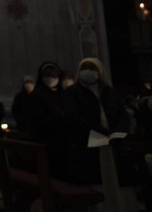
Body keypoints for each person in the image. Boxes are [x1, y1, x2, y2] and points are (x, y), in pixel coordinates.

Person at [64, 58, 136, 211]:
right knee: (95, 180)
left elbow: (122, 115)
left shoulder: (110, 91)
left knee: (116, 178)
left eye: (92, 68)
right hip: (88, 143)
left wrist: (117, 131)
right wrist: (99, 130)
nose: (88, 71)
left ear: (99, 71)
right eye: (85, 68)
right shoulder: (72, 92)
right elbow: (73, 117)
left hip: (113, 143)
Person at [25, 61, 68, 178]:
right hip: (44, 141)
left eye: (54, 75)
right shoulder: (36, 95)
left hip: (64, 140)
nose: (51, 78)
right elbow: (34, 118)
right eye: (47, 75)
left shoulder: (63, 94)